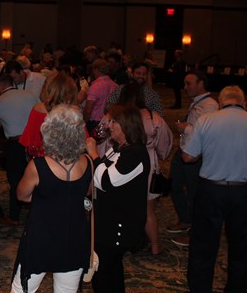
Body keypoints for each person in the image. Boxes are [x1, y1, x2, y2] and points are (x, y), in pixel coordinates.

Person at [182, 86, 247, 292]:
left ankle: (200, 288)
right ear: (244, 103)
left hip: (211, 190)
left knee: (203, 246)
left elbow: (188, 157)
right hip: (246, 192)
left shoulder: (206, 120)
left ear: (220, 103)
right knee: (242, 248)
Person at [11, 105, 91, 293]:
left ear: (49, 133)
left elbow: (21, 195)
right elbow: (86, 192)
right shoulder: (88, 162)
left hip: (42, 237)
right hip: (74, 237)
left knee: (21, 290)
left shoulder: (38, 166)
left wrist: (45, 198)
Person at [85, 103, 150, 293]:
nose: (109, 125)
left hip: (118, 227)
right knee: (111, 268)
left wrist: (93, 153)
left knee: (102, 271)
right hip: (108, 223)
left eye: (113, 121)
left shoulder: (136, 154)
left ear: (126, 125)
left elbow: (106, 181)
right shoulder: (119, 148)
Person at [116, 82, 173, 255]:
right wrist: (159, 154)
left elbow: (104, 141)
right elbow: (164, 145)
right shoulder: (154, 117)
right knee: (148, 210)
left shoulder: (116, 116)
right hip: (147, 164)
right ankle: (155, 246)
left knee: (122, 207)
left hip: (122, 162)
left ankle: (123, 242)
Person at [168, 70, 219, 247]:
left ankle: (195, 233)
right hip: (184, 149)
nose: (185, 87)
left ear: (200, 84)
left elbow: (208, 132)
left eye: (189, 83)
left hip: (196, 155)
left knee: (194, 194)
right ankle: (185, 219)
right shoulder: (198, 102)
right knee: (174, 185)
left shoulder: (210, 105)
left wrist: (185, 128)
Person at [0, 74, 39, 226]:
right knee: (35, 176)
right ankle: (34, 210)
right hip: (34, 141)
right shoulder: (30, 95)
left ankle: (14, 216)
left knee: (15, 179)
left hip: (16, 144)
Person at [19, 72, 78, 158]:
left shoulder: (37, 109)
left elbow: (28, 141)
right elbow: (81, 142)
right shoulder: (73, 112)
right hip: (67, 160)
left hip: (42, 159)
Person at [83, 59, 117, 134]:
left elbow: (88, 110)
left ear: (96, 70)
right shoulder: (115, 85)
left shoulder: (95, 86)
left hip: (94, 123)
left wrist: (83, 123)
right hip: (110, 122)